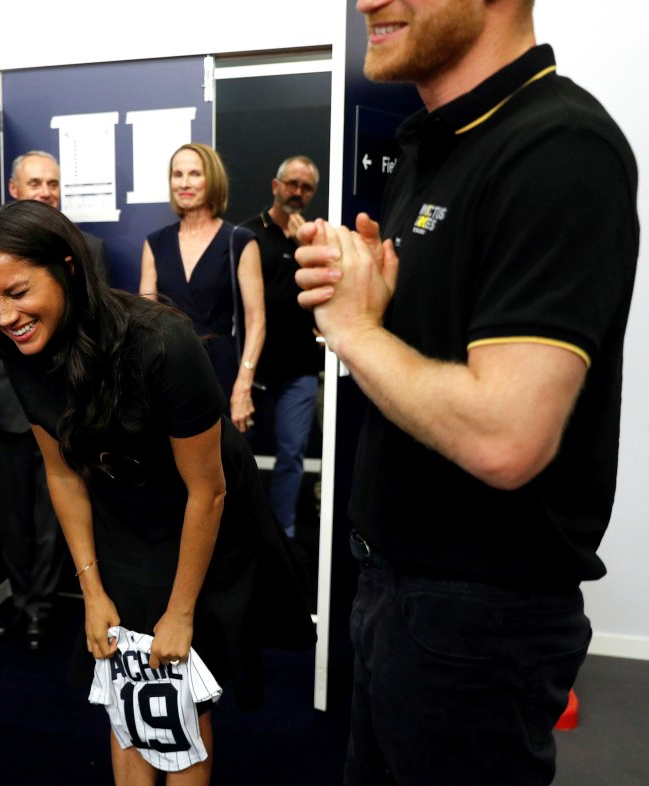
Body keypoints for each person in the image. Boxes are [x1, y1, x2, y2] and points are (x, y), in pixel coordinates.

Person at [295, 1, 638, 784]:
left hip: (479, 619)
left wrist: (357, 332)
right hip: (392, 586)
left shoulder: (560, 146)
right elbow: (435, 356)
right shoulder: (432, 144)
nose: (366, 1)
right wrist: (376, 304)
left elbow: (506, 439)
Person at [0, 199, 298, 785]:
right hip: (123, 512)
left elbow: (209, 491)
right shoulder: (18, 350)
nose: (4, 316)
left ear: (66, 268)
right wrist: (91, 591)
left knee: (180, 694)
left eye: (17, 292)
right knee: (124, 680)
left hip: (204, 514)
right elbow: (63, 473)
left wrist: (179, 612)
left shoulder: (161, 342)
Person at [0, 150, 109, 650]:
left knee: (53, 517)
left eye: (53, 183)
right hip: (4, 410)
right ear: (14, 189)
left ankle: (42, 609)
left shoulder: (86, 249)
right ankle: (21, 603)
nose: (46, 191)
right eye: (36, 183)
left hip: (62, 412)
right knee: (13, 520)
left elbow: (95, 334)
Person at [140, 143, 264, 433]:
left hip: (221, 371)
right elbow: (144, 317)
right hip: (170, 369)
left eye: (195, 174)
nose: (184, 183)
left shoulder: (239, 241)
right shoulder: (155, 244)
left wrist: (243, 385)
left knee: (223, 466)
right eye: (177, 174)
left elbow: (256, 320)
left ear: (213, 179)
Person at [242, 156, 324, 539]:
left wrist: (303, 244)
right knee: (239, 453)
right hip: (254, 368)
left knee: (292, 453)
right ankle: (245, 531)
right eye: (292, 184)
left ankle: (283, 533)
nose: (298, 193)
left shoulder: (316, 240)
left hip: (300, 367)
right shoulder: (246, 235)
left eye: (306, 187)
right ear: (276, 186)